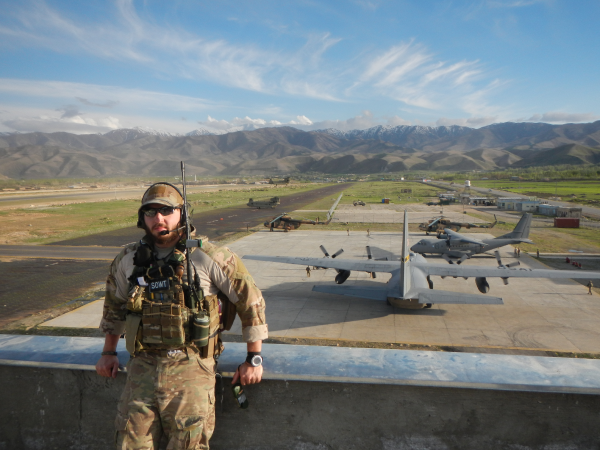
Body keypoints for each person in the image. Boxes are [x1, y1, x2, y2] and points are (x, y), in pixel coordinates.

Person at [95, 183, 267, 449]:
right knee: (129, 441)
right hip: (142, 367)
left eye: (166, 210)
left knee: (189, 443)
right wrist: (109, 352)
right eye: (150, 212)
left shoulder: (208, 256)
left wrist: (253, 358)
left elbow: (250, 301)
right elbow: (115, 305)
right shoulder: (128, 259)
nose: (158, 219)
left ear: (182, 213)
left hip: (192, 368)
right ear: (142, 218)